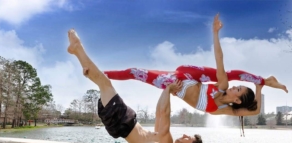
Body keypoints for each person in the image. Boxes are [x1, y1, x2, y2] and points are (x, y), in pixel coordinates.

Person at [102, 14, 288, 119]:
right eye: (237, 86)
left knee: (135, 72)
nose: (233, 87)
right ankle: (265, 79)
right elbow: (219, 58)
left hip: (175, 81)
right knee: (227, 74)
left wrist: (258, 88)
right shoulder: (221, 87)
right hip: (193, 75)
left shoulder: (228, 110)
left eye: (237, 90)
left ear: (237, 101)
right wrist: (215, 33)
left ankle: (102, 74)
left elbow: (255, 110)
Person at [67, 29, 203, 143]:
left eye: (188, 138)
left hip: (123, 122)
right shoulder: (163, 142)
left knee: (104, 83)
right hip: (122, 124)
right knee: (103, 83)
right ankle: (79, 56)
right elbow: (159, 113)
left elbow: (164, 112)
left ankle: (78, 48)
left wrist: (168, 89)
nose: (185, 134)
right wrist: (166, 90)